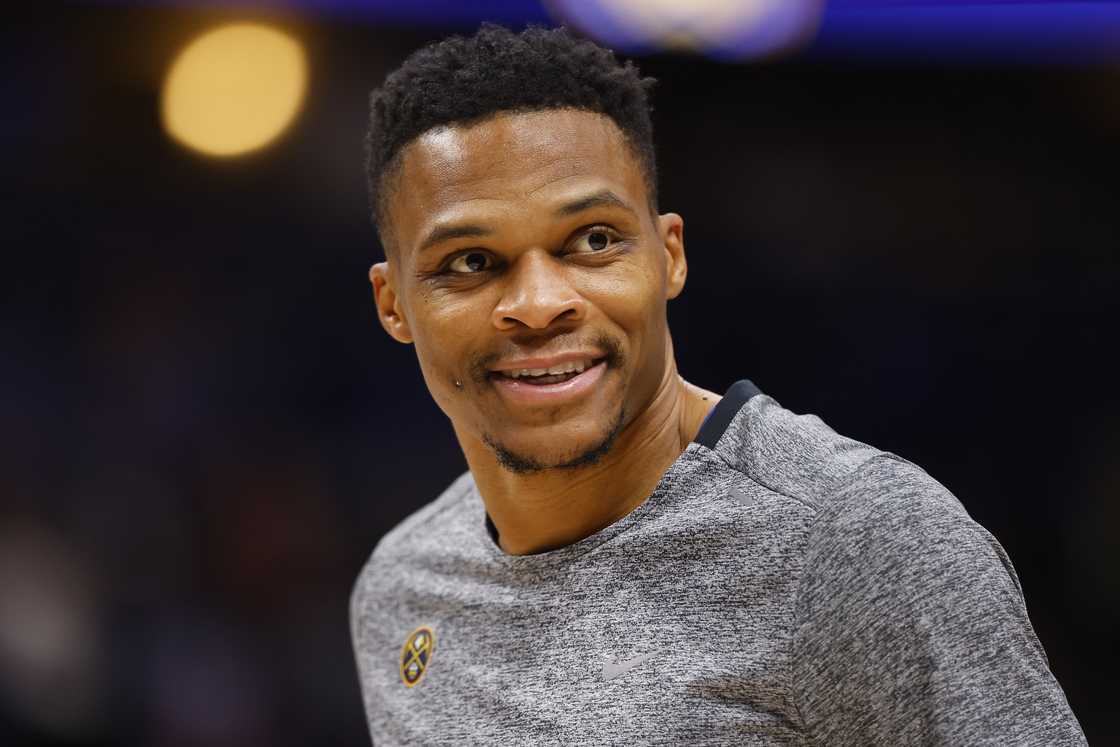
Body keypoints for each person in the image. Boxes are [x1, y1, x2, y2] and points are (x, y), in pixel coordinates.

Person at [349, 23, 1087, 746]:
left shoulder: (857, 539)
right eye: (472, 261)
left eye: (594, 240)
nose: (540, 303)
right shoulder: (401, 588)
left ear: (669, 255)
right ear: (393, 305)